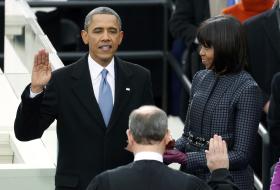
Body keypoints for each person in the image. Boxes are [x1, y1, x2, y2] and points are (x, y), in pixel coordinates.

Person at [14, 7, 154, 190]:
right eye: (98, 31)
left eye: (112, 31)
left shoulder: (140, 78)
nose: (105, 37)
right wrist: (36, 89)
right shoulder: (61, 80)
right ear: (85, 36)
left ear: (120, 37)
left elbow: (150, 138)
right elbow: (26, 132)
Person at [164, 15, 264, 190]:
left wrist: (188, 158)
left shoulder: (248, 88)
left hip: (229, 182)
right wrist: (167, 149)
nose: (200, 52)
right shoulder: (199, 77)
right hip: (191, 179)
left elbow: (241, 155)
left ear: (225, 47)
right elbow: (188, 134)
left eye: (207, 47)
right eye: (201, 45)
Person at [86, 105, 239, 190]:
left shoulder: (104, 183)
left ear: (130, 137)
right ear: (167, 137)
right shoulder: (190, 185)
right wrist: (220, 174)